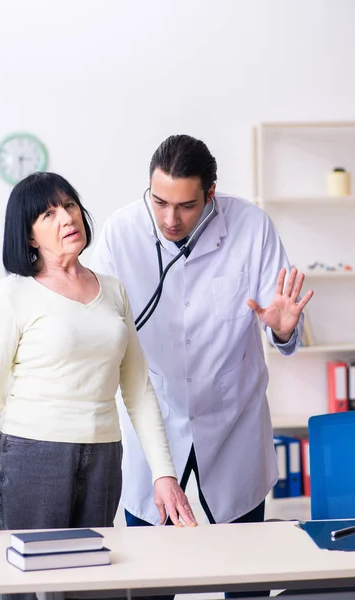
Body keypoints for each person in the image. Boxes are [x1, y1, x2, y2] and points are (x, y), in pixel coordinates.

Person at [90, 134, 314, 599]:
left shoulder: (251, 227)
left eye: (187, 206)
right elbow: (97, 324)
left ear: (211, 193)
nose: (170, 219)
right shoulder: (120, 232)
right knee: (149, 579)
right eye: (160, 202)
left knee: (246, 575)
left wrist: (285, 329)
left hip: (233, 420)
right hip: (153, 422)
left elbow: (283, 321)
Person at [0, 172, 197, 549]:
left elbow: (138, 391)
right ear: (29, 236)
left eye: (69, 205)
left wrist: (163, 474)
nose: (67, 218)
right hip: (33, 458)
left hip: (104, 456)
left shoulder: (113, 290)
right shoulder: (14, 294)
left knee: (92, 580)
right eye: (48, 215)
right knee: (29, 584)